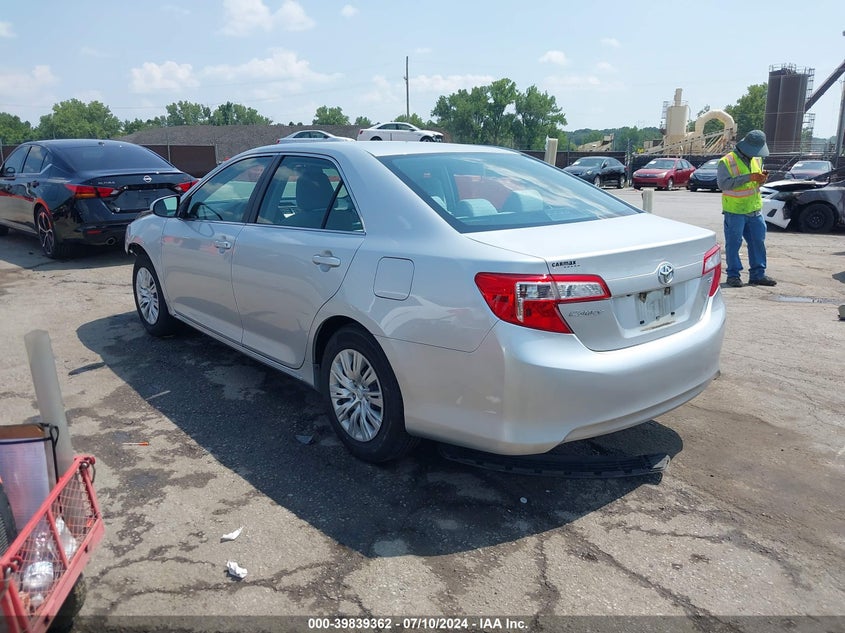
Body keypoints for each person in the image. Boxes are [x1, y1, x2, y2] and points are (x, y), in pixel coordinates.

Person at [716, 129, 776, 287]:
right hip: (735, 212)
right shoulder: (727, 161)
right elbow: (723, 184)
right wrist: (749, 177)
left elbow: (755, 184)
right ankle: (733, 276)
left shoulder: (757, 160)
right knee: (733, 244)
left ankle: (758, 274)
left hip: (754, 211)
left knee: (758, 242)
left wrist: (761, 179)